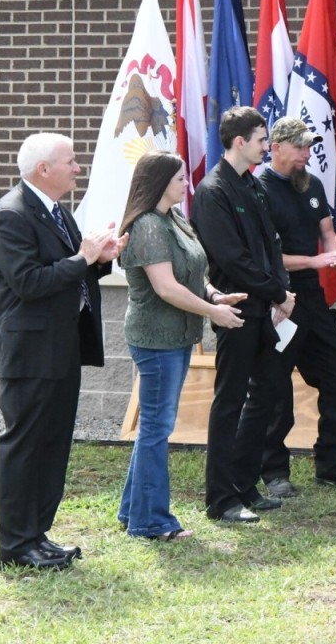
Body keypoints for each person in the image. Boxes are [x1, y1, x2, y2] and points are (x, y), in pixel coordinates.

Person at [0, 132, 124, 570]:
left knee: (53, 444)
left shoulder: (55, 211)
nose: (77, 168)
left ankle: (37, 535)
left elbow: (68, 275)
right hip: (29, 350)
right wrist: (82, 260)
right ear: (44, 169)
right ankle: (15, 545)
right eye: (71, 161)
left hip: (61, 346)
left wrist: (99, 259)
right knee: (25, 445)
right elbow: (29, 283)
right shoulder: (11, 215)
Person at [116, 152, 246, 541]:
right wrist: (212, 313)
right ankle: (151, 522)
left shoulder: (174, 220)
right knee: (156, 428)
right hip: (155, 340)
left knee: (154, 427)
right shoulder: (148, 227)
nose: (185, 185)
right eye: (178, 179)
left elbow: (191, 274)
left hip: (177, 337)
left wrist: (214, 296)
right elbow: (166, 287)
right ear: (159, 183)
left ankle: (132, 512)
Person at [191, 107, 296, 523]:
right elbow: (232, 259)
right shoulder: (213, 191)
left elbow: (271, 245)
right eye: (261, 140)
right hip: (235, 311)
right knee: (230, 401)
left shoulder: (252, 186)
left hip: (265, 309)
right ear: (240, 142)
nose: (266, 146)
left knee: (267, 394)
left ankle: (245, 483)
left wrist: (281, 293)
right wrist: (277, 293)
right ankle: (221, 498)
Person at [256, 117, 336, 497]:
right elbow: (265, 260)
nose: (308, 154)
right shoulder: (259, 190)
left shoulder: (312, 184)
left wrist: (335, 251)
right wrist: (315, 262)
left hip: (313, 299)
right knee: (275, 389)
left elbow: (326, 234)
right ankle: (273, 471)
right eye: (301, 147)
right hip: (278, 297)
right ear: (276, 148)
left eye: (309, 146)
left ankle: (331, 464)